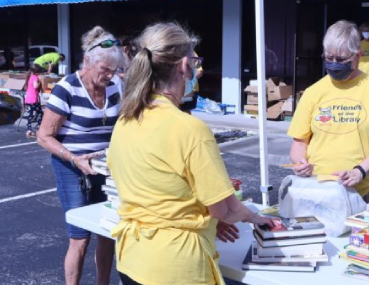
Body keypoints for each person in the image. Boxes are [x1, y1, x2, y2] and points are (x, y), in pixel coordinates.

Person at [107, 22, 277, 285]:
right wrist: (253, 217)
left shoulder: (126, 120)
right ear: (183, 66)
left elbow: (154, 188)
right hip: (175, 266)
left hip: (132, 257)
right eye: (196, 61)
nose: (199, 70)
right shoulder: (189, 129)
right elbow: (224, 210)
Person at [37, 26, 125, 285]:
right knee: (80, 237)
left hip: (104, 167)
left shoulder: (115, 85)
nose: (109, 76)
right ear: (87, 62)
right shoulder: (67, 88)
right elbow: (44, 136)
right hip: (72, 167)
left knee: (108, 231)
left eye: (113, 70)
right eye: (104, 70)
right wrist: (75, 159)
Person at [288, 20, 369, 203]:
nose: (334, 64)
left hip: (363, 191)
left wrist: (360, 171)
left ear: (357, 56)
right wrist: (300, 163)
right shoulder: (313, 92)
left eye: (341, 60)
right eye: (329, 58)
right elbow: (299, 144)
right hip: (318, 188)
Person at [23, 65, 44, 138]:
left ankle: (29, 130)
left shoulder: (29, 76)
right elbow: (35, 86)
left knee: (30, 114)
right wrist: (39, 82)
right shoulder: (35, 77)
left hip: (28, 98)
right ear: (37, 72)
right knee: (40, 113)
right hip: (34, 98)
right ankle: (39, 127)